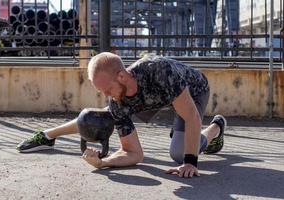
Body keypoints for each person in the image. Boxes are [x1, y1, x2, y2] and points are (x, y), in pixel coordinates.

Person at [17, 52, 226, 178]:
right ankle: (48, 135)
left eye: (108, 90)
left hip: (192, 90)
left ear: (122, 76)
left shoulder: (160, 72)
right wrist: (104, 162)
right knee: (110, 112)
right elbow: (134, 153)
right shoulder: (117, 100)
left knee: (179, 155)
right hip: (154, 98)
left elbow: (191, 117)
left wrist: (190, 163)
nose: (108, 96)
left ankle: (216, 128)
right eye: (103, 93)